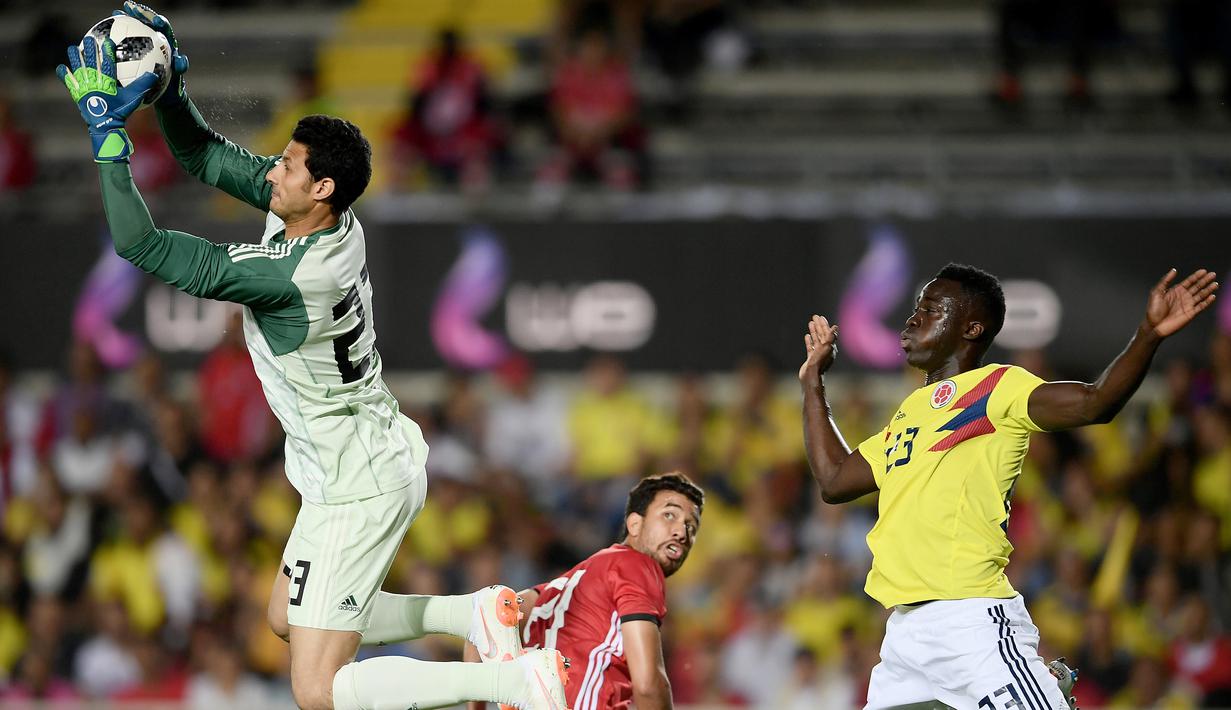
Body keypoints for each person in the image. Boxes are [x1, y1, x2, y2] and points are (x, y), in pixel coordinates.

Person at [56, 4, 569, 710]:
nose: (273, 172)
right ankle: (469, 614)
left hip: (357, 481)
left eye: (289, 166)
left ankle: (515, 681)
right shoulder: (325, 213)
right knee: (281, 619)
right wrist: (170, 89)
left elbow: (140, 245)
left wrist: (109, 141)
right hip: (357, 457)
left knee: (317, 690)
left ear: (321, 189)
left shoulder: (293, 274)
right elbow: (203, 155)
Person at [797, 263, 1218, 710]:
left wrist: (1148, 335)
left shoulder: (998, 387)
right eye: (917, 306)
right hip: (904, 639)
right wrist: (812, 384)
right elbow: (835, 479)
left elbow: (1095, 403)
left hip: (969, 622)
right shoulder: (911, 411)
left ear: (972, 327)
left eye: (932, 308)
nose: (913, 317)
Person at [467, 472, 705, 710]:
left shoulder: (563, 586)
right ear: (634, 524)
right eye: (669, 515)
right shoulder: (638, 565)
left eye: (690, 526)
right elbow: (648, 686)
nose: (682, 533)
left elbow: (484, 621)